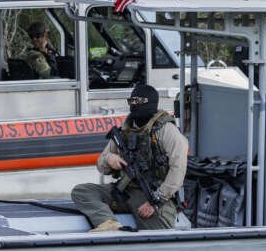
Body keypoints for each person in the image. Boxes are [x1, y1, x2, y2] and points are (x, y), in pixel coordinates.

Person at [72, 84, 188, 231]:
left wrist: (156, 201)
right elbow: (101, 165)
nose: (134, 105)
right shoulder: (125, 130)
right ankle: (108, 223)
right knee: (82, 191)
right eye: (131, 101)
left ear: (149, 103)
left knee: (158, 238)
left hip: (152, 196)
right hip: (124, 192)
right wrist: (109, 160)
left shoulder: (166, 130)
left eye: (138, 101)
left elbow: (178, 169)